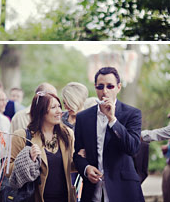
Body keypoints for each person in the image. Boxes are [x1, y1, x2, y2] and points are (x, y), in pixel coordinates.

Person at [73, 66, 143, 202]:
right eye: (100, 87)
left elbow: (133, 148)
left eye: (110, 86)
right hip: (92, 192)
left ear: (118, 87)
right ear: (95, 87)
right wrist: (86, 168)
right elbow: (78, 155)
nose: (104, 91)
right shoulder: (82, 117)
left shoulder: (132, 114)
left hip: (124, 190)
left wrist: (112, 119)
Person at [10, 86, 73, 202]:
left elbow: (71, 165)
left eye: (59, 106)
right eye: (53, 107)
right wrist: (27, 158)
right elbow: (6, 170)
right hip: (34, 198)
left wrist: (82, 156)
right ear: (41, 111)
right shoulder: (22, 136)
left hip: (64, 197)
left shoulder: (67, 134)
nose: (59, 111)